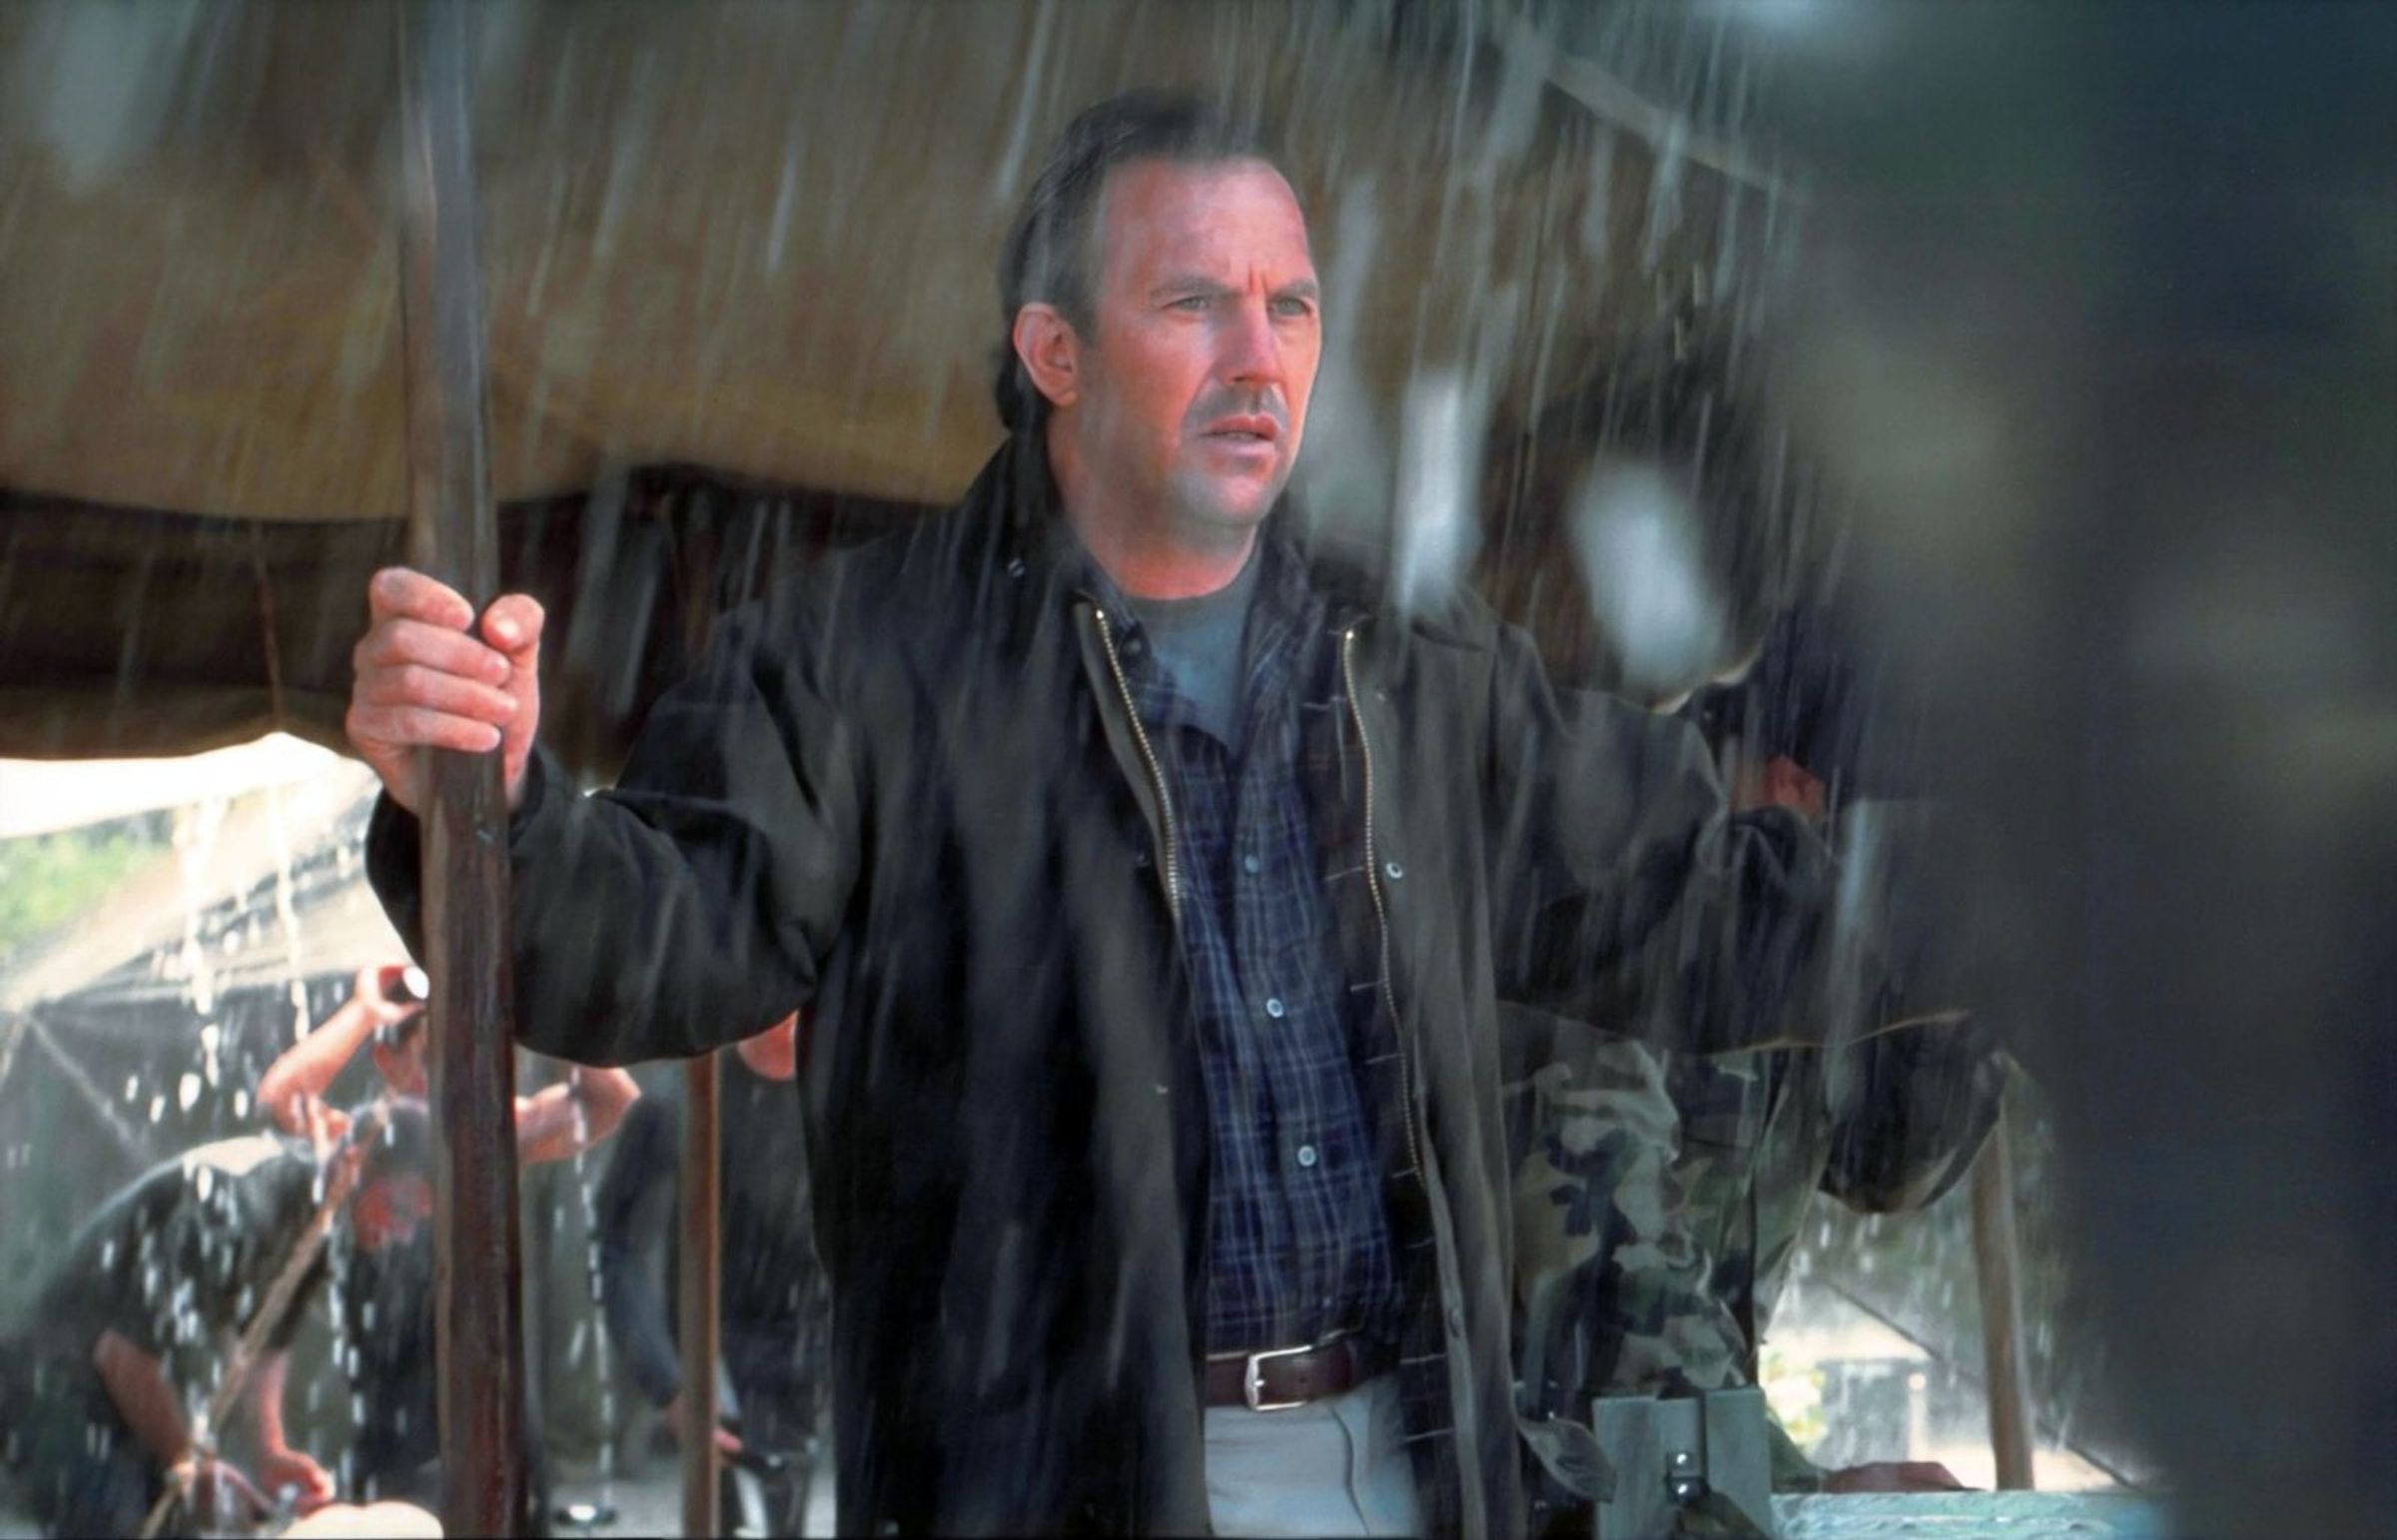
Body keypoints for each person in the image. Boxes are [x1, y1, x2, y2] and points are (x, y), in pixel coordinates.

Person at [345, 91, 1902, 1536]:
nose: (1259, 357)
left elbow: (1708, 898)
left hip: (1419, 1466)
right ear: (1056, 351)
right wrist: (488, 799)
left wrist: (2025, 902)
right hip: (1058, 1494)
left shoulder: (1410, 659)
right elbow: (651, 934)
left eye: (1291, 305)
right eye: (1193, 302)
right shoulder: (865, 667)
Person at [253, 965, 638, 1516]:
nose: (449, 1069)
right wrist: (364, 1012)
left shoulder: (493, 1134)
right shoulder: (359, 1147)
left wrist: (543, 1002)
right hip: (394, 1424)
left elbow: (612, 1099)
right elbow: (280, 1099)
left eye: (460, 1048)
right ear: (387, 1061)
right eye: (430, 1052)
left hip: (495, 1405)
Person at [0, 1114, 431, 1537]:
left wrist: (270, 1450)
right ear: (351, 1164)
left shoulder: (321, 1215)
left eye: (416, 1220)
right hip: (52, 1378)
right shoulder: (237, 1201)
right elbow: (122, 1356)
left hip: (114, 1385)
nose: (403, 1234)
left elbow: (270, 1340)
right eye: (399, 1209)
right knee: (123, 1523)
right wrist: (190, 1467)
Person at [595, 1016, 830, 1532]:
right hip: (709, 1342)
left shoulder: (845, 1096)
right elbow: (618, 1250)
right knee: (720, 1511)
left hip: (805, 1342)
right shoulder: (677, 1103)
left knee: (787, 1502)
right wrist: (670, 1384)